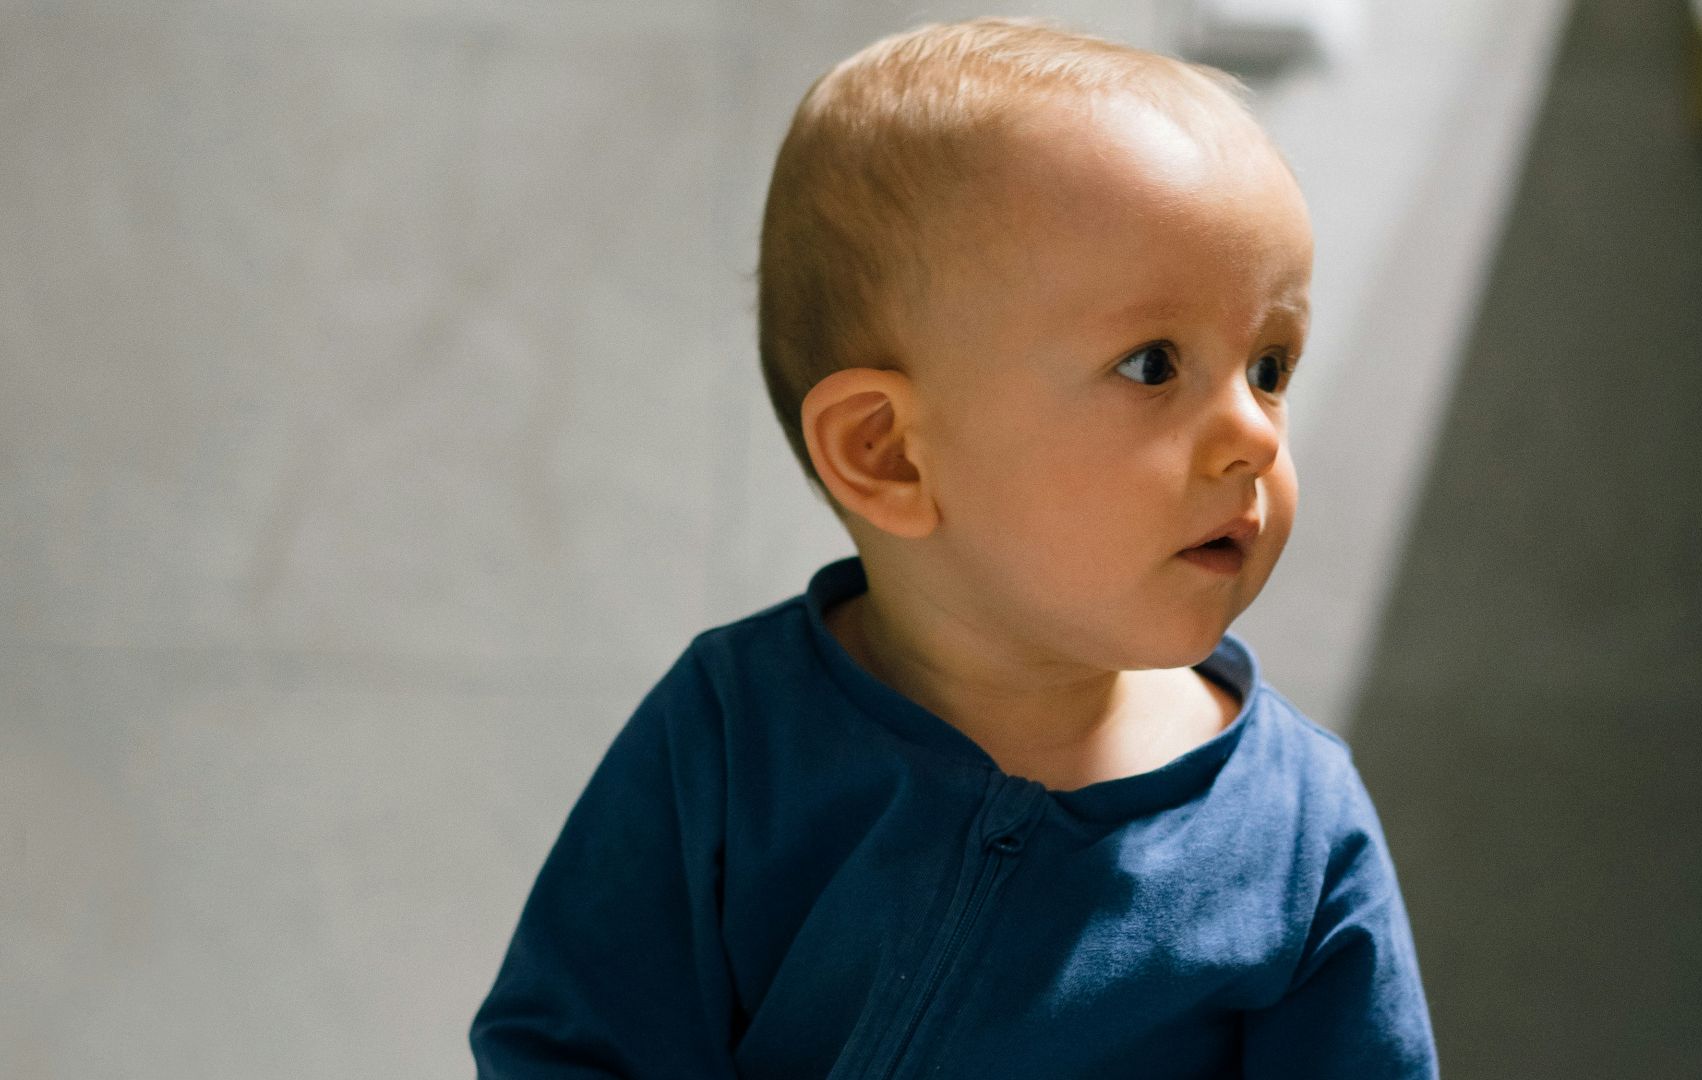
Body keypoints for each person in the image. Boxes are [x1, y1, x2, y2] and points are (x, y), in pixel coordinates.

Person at [470, 16, 1438, 1078]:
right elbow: (573, 1050)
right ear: (888, 453)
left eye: (1270, 365)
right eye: (1154, 364)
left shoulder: (1295, 829)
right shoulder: (738, 739)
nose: (1255, 432)